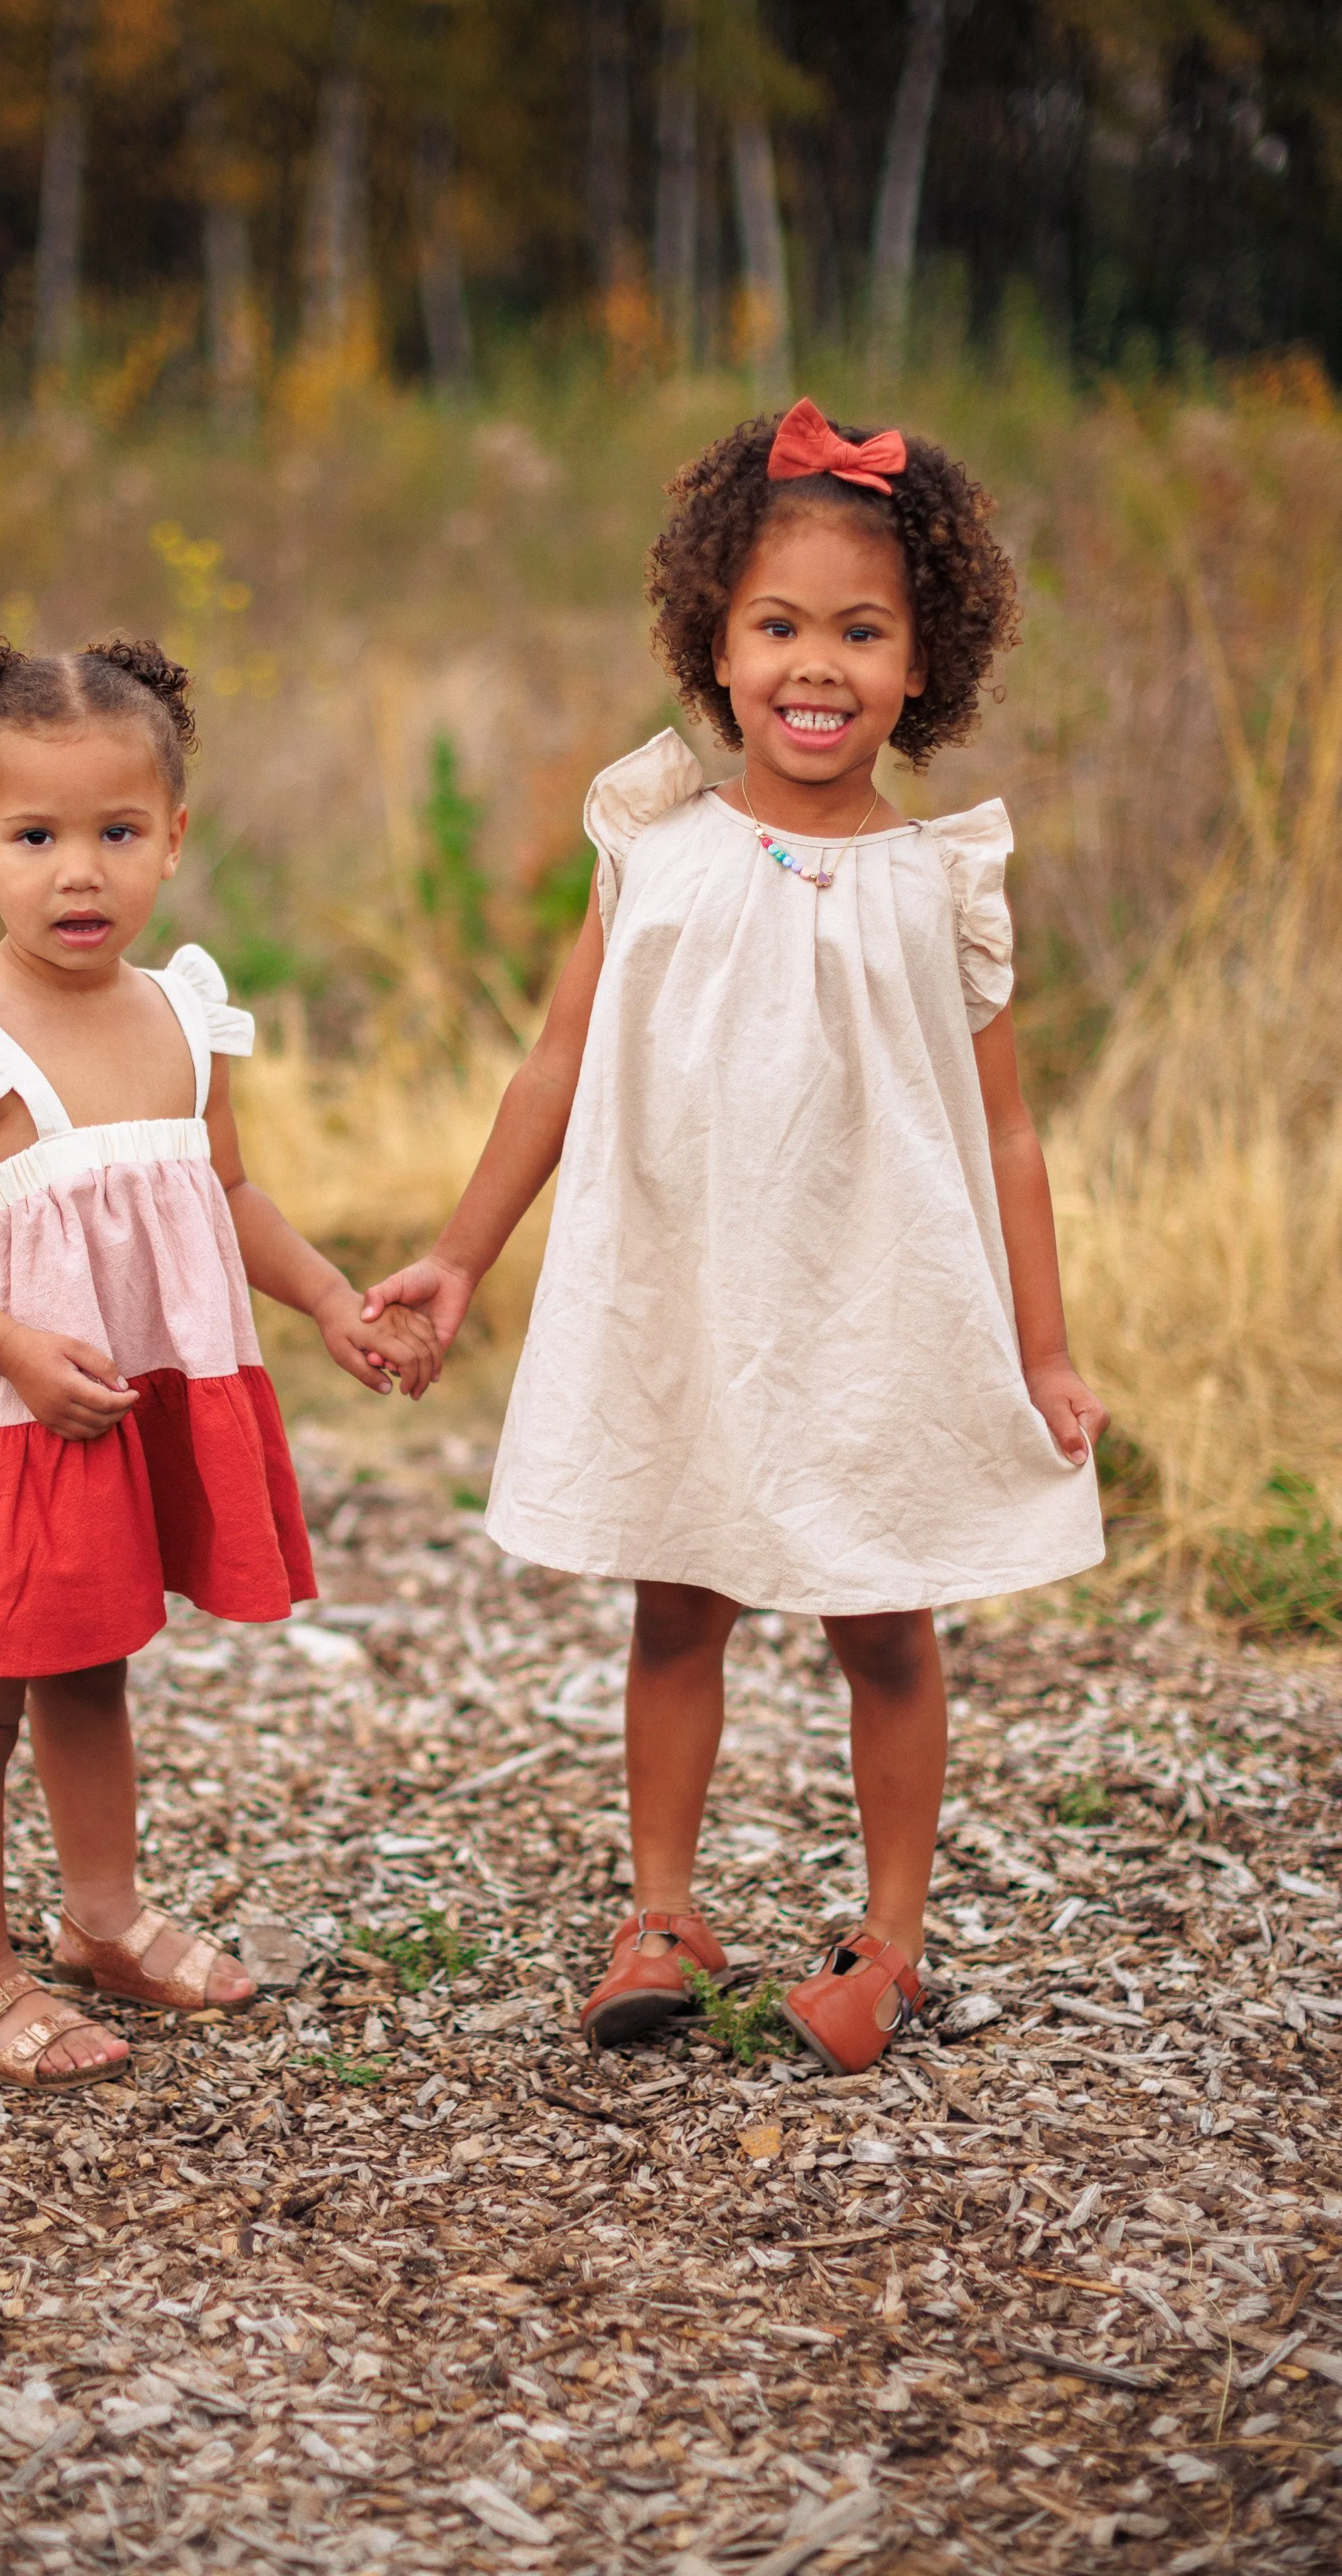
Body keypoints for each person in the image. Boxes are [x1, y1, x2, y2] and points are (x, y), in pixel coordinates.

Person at [363, 399, 1106, 2074]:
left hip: (874, 1304)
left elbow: (1007, 1133)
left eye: (861, 629)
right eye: (778, 626)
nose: (815, 665)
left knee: (881, 1617)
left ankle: (893, 1937)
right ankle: (663, 1912)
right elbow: (556, 1062)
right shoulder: (656, 843)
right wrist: (465, 1254)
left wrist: (1045, 1347)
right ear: (717, 643)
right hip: (691, 1295)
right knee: (675, 1598)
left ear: (925, 661)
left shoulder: (943, 882)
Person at [0, 632, 437, 2089]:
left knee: (93, 1668)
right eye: (37, 836)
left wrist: (328, 1300)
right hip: (0, 1421)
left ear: (172, 835)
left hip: (116, 1414)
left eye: (115, 833)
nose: (79, 873)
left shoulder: (180, 1015)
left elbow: (223, 1197)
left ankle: (101, 1915)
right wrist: (11, 1349)